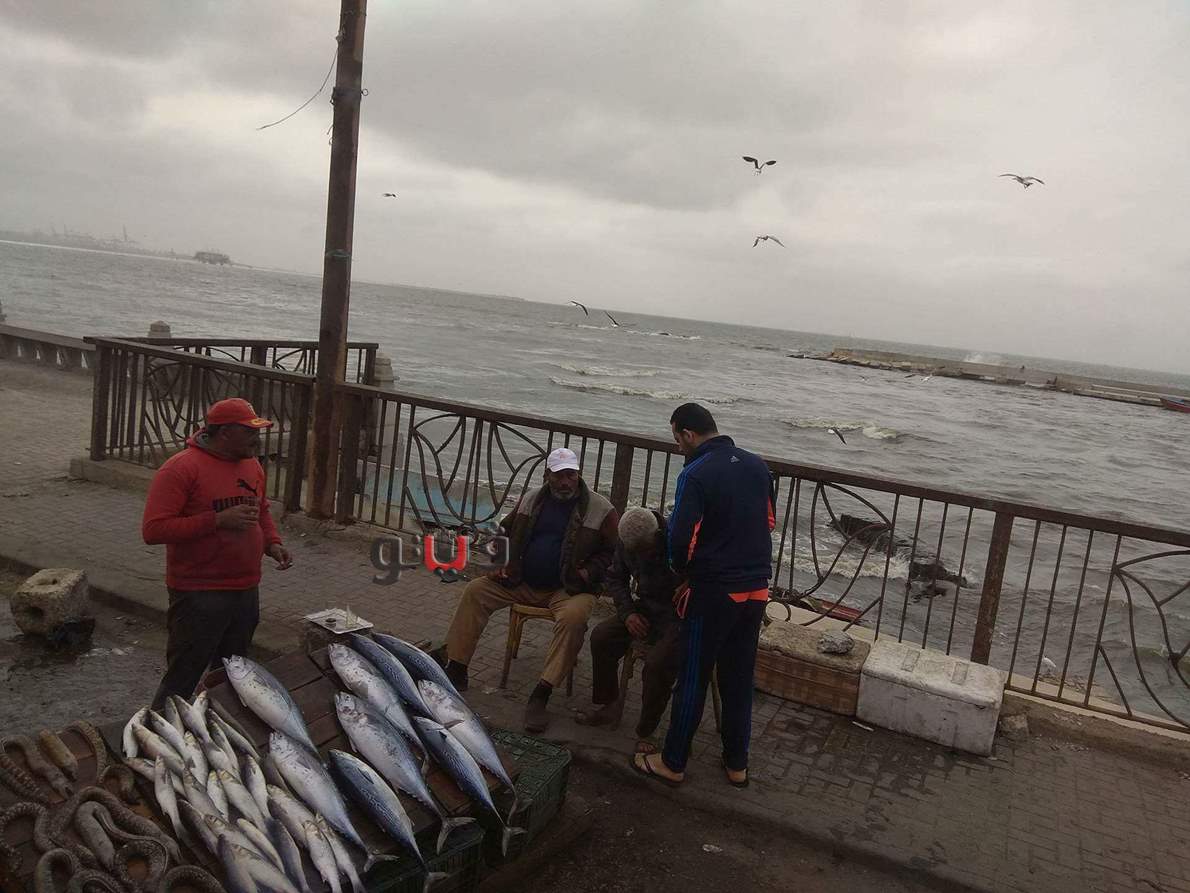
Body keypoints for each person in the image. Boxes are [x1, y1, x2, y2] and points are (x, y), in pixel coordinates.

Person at [632, 403, 774, 788]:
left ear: (688, 434)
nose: (677, 447)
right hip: (756, 587)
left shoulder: (695, 473)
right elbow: (768, 522)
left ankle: (673, 762)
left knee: (693, 676)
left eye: (677, 439)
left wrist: (683, 573)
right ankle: (737, 764)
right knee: (738, 679)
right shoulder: (757, 466)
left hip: (714, 591)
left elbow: (681, 539)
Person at [442, 447, 619, 733]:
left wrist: (587, 573)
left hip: (569, 589)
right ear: (547, 475)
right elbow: (503, 531)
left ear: (578, 475)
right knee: (476, 591)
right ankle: (457, 667)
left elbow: (614, 554)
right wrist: (500, 562)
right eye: (559, 476)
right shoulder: (531, 499)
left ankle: (541, 693)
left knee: (574, 619)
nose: (566, 482)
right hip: (522, 582)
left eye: (571, 475)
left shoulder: (601, 509)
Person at [142, 398, 293, 708]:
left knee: (232, 673)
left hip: (245, 589)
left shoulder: (251, 464)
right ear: (224, 433)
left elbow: (261, 509)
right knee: (183, 675)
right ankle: (158, 729)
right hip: (198, 592)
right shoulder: (181, 468)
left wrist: (272, 543)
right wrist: (217, 521)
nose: (257, 438)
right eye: (249, 432)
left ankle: (218, 721)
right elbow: (154, 530)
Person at [577, 507, 681, 755]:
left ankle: (647, 730)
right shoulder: (626, 542)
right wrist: (628, 614)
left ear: (656, 537)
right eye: (636, 550)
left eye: (644, 549)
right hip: (646, 608)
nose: (640, 554)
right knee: (602, 636)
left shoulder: (679, 539)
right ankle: (609, 704)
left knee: (656, 665)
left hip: (678, 615)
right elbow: (615, 578)